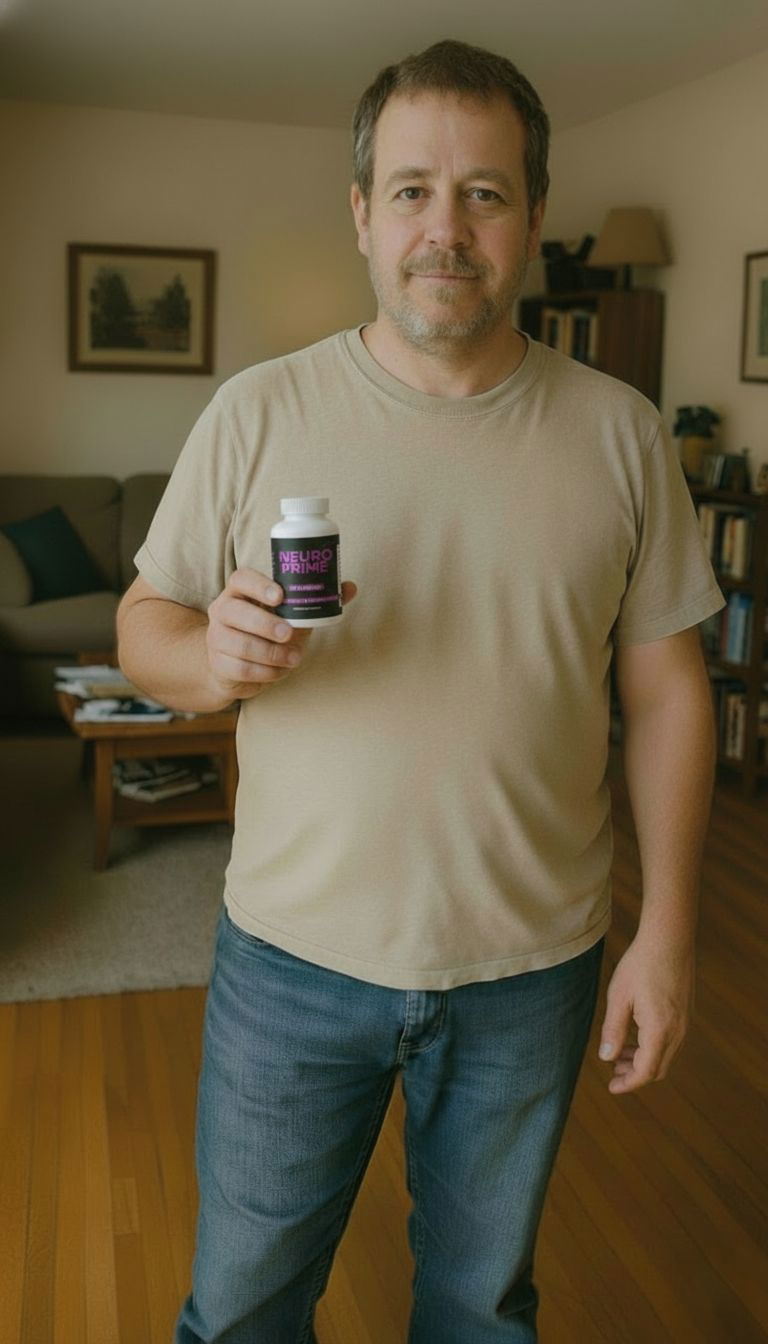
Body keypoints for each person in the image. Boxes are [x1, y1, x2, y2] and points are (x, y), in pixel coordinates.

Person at [117, 38, 724, 1344]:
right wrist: (208, 659)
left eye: (484, 193)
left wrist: (668, 930)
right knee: (241, 1314)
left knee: (480, 1313)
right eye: (411, 190)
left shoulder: (621, 432)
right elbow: (142, 626)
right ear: (361, 212)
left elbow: (672, 692)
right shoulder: (257, 411)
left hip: (531, 969)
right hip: (290, 963)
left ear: (534, 216)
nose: (445, 228)